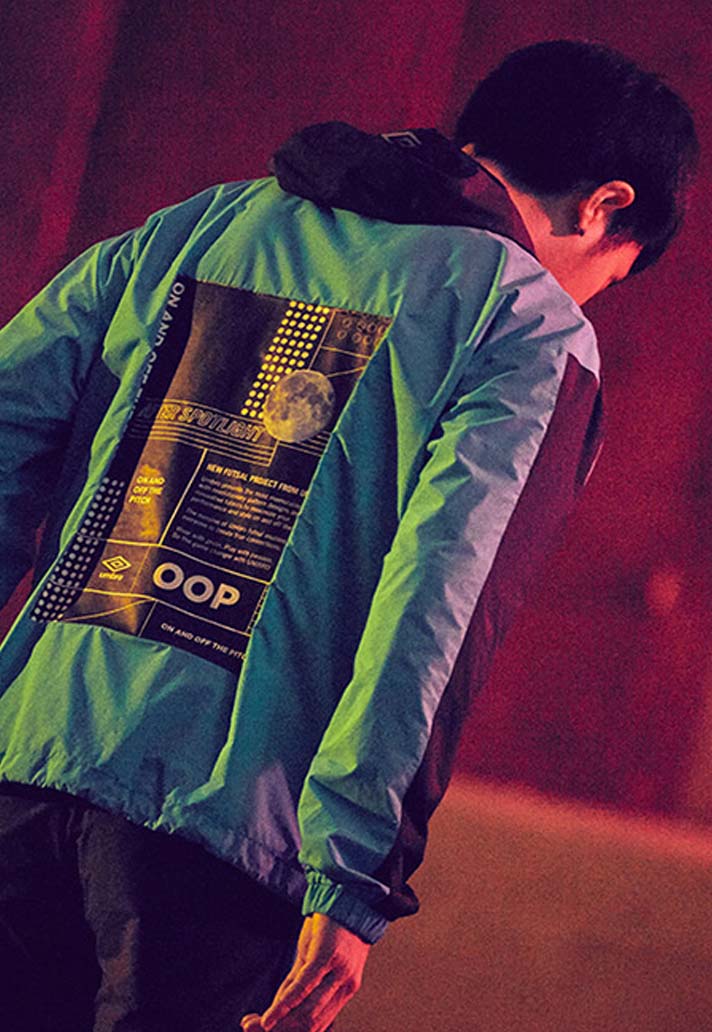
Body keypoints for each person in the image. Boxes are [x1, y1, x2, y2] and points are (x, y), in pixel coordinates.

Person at [0, 39, 697, 1032]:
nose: (586, 300)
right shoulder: (526, 326)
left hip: (28, 764)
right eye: (610, 277)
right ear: (604, 208)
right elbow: (440, 605)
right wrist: (357, 871)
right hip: (224, 842)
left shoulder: (204, 225)